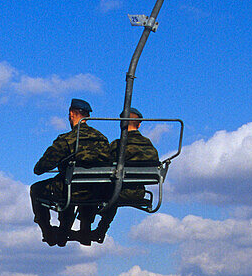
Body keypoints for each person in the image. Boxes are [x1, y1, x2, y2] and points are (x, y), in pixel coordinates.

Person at [30, 98, 113, 246]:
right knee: (78, 188)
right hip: (96, 193)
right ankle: (84, 227)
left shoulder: (67, 140)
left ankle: (48, 232)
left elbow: (40, 168)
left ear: (71, 114)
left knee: (37, 189)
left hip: (71, 192)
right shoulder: (102, 140)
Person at [89, 107, 159, 243]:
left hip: (116, 192)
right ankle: (100, 230)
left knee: (96, 190)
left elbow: (104, 164)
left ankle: (92, 227)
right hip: (138, 192)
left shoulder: (118, 146)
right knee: (113, 195)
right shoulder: (150, 148)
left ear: (122, 123)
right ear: (139, 124)